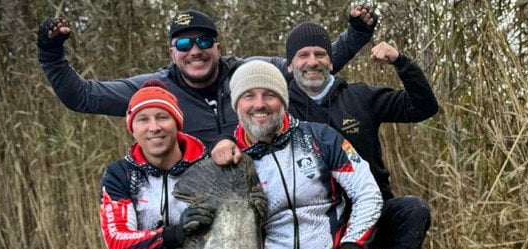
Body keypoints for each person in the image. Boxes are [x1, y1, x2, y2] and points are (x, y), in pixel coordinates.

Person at [37, 7, 377, 146]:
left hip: (262, 194)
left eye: (203, 41)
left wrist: (357, 33)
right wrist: (51, 53)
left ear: (218, 45)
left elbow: (308, 68)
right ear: (172, 52)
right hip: (198, 202)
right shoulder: (156, 88)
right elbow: (82, 97)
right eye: (184, 43)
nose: (194, 50)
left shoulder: (249, 72)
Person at [212, 61, 384, 249]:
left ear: (283, 100)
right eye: (249, 96)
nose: (260, 104)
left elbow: (367, 193)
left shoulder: (321, 138)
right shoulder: (227, 159)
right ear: (236, 105)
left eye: (269, 95)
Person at [283, 22, 438, 249]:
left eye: (320, 54)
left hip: (370, 210)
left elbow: (423, 107)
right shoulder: (280, 109)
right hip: (321, 224)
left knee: (414, 210)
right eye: (303, 55)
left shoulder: (360, 96)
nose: (312, 62)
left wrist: (401, 62)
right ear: (289, 65)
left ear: (331, 61)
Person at [86, 80, 212, 249]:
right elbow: (117, 245)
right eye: (143, 119)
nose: (154, 127)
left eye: (162, 117)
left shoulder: (206, 166)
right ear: (132, 129)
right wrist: (176, 234)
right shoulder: (120, 174)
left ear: (177, 123)